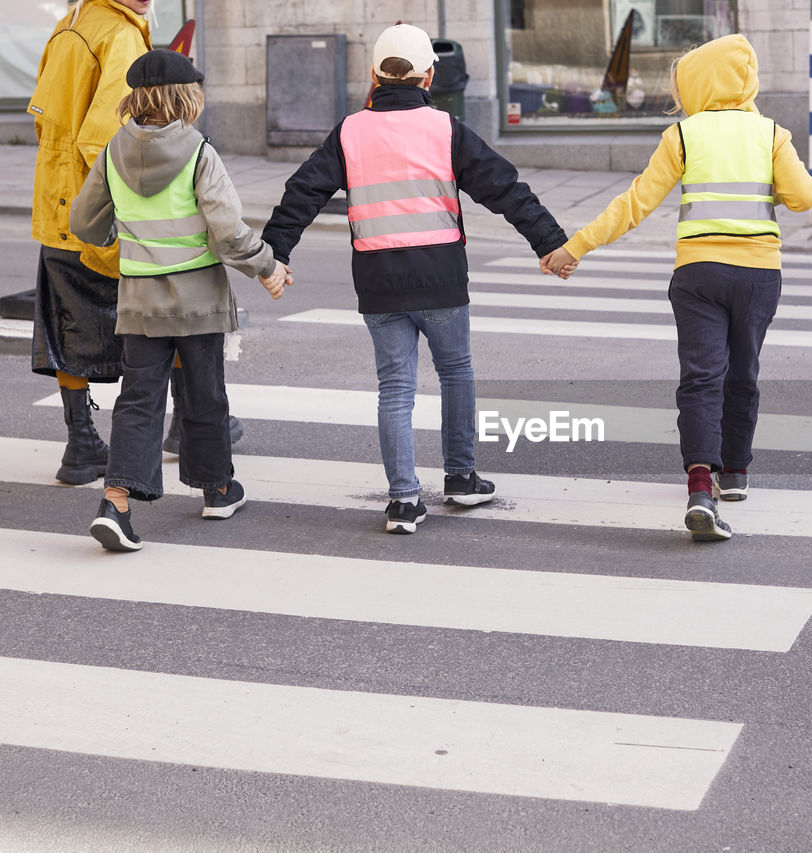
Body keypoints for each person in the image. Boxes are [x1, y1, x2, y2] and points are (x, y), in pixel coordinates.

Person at [260, 24, 571, 535]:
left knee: (395, 390)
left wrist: (273, 258)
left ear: (374, 75)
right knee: (456, 374)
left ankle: (403, 500)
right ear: (429, 74)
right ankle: (460, 477)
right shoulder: (446, 129)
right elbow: (504, 188)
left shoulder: (349, 131)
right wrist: (551, 244)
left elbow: (303, 194)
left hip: (378, 282)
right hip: (441, 277)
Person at [543, 34, 812, 542]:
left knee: (700, 379)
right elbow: (804, 198)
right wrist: (773, 188)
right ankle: (735, 472)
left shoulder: (683, 135)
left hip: (698, 275)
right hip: (759, 273)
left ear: (697, 82)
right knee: (744, 373)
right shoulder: (771, 134)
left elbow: (634, 204)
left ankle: (700, 485)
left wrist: (574, 247)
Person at [70, 49, 290, 552]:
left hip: (140, 303)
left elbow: (84, 224)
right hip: (198, 302)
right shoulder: (198, 153)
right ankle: (216, 489)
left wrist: (120, 232)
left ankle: (116, 504)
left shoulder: (113, 152)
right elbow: (229, 234)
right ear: (187, 96)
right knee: (204, 394)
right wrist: (268, 267)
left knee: (138, 400)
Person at [27, 0, 153, 485]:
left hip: (56, 205)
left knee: (64, 324)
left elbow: (45, 121)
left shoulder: (68, 26)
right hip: (95, 209)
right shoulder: (119, 35)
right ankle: (190, 424)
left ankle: (80, 441)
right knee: (168, 307)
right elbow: (108, 137)